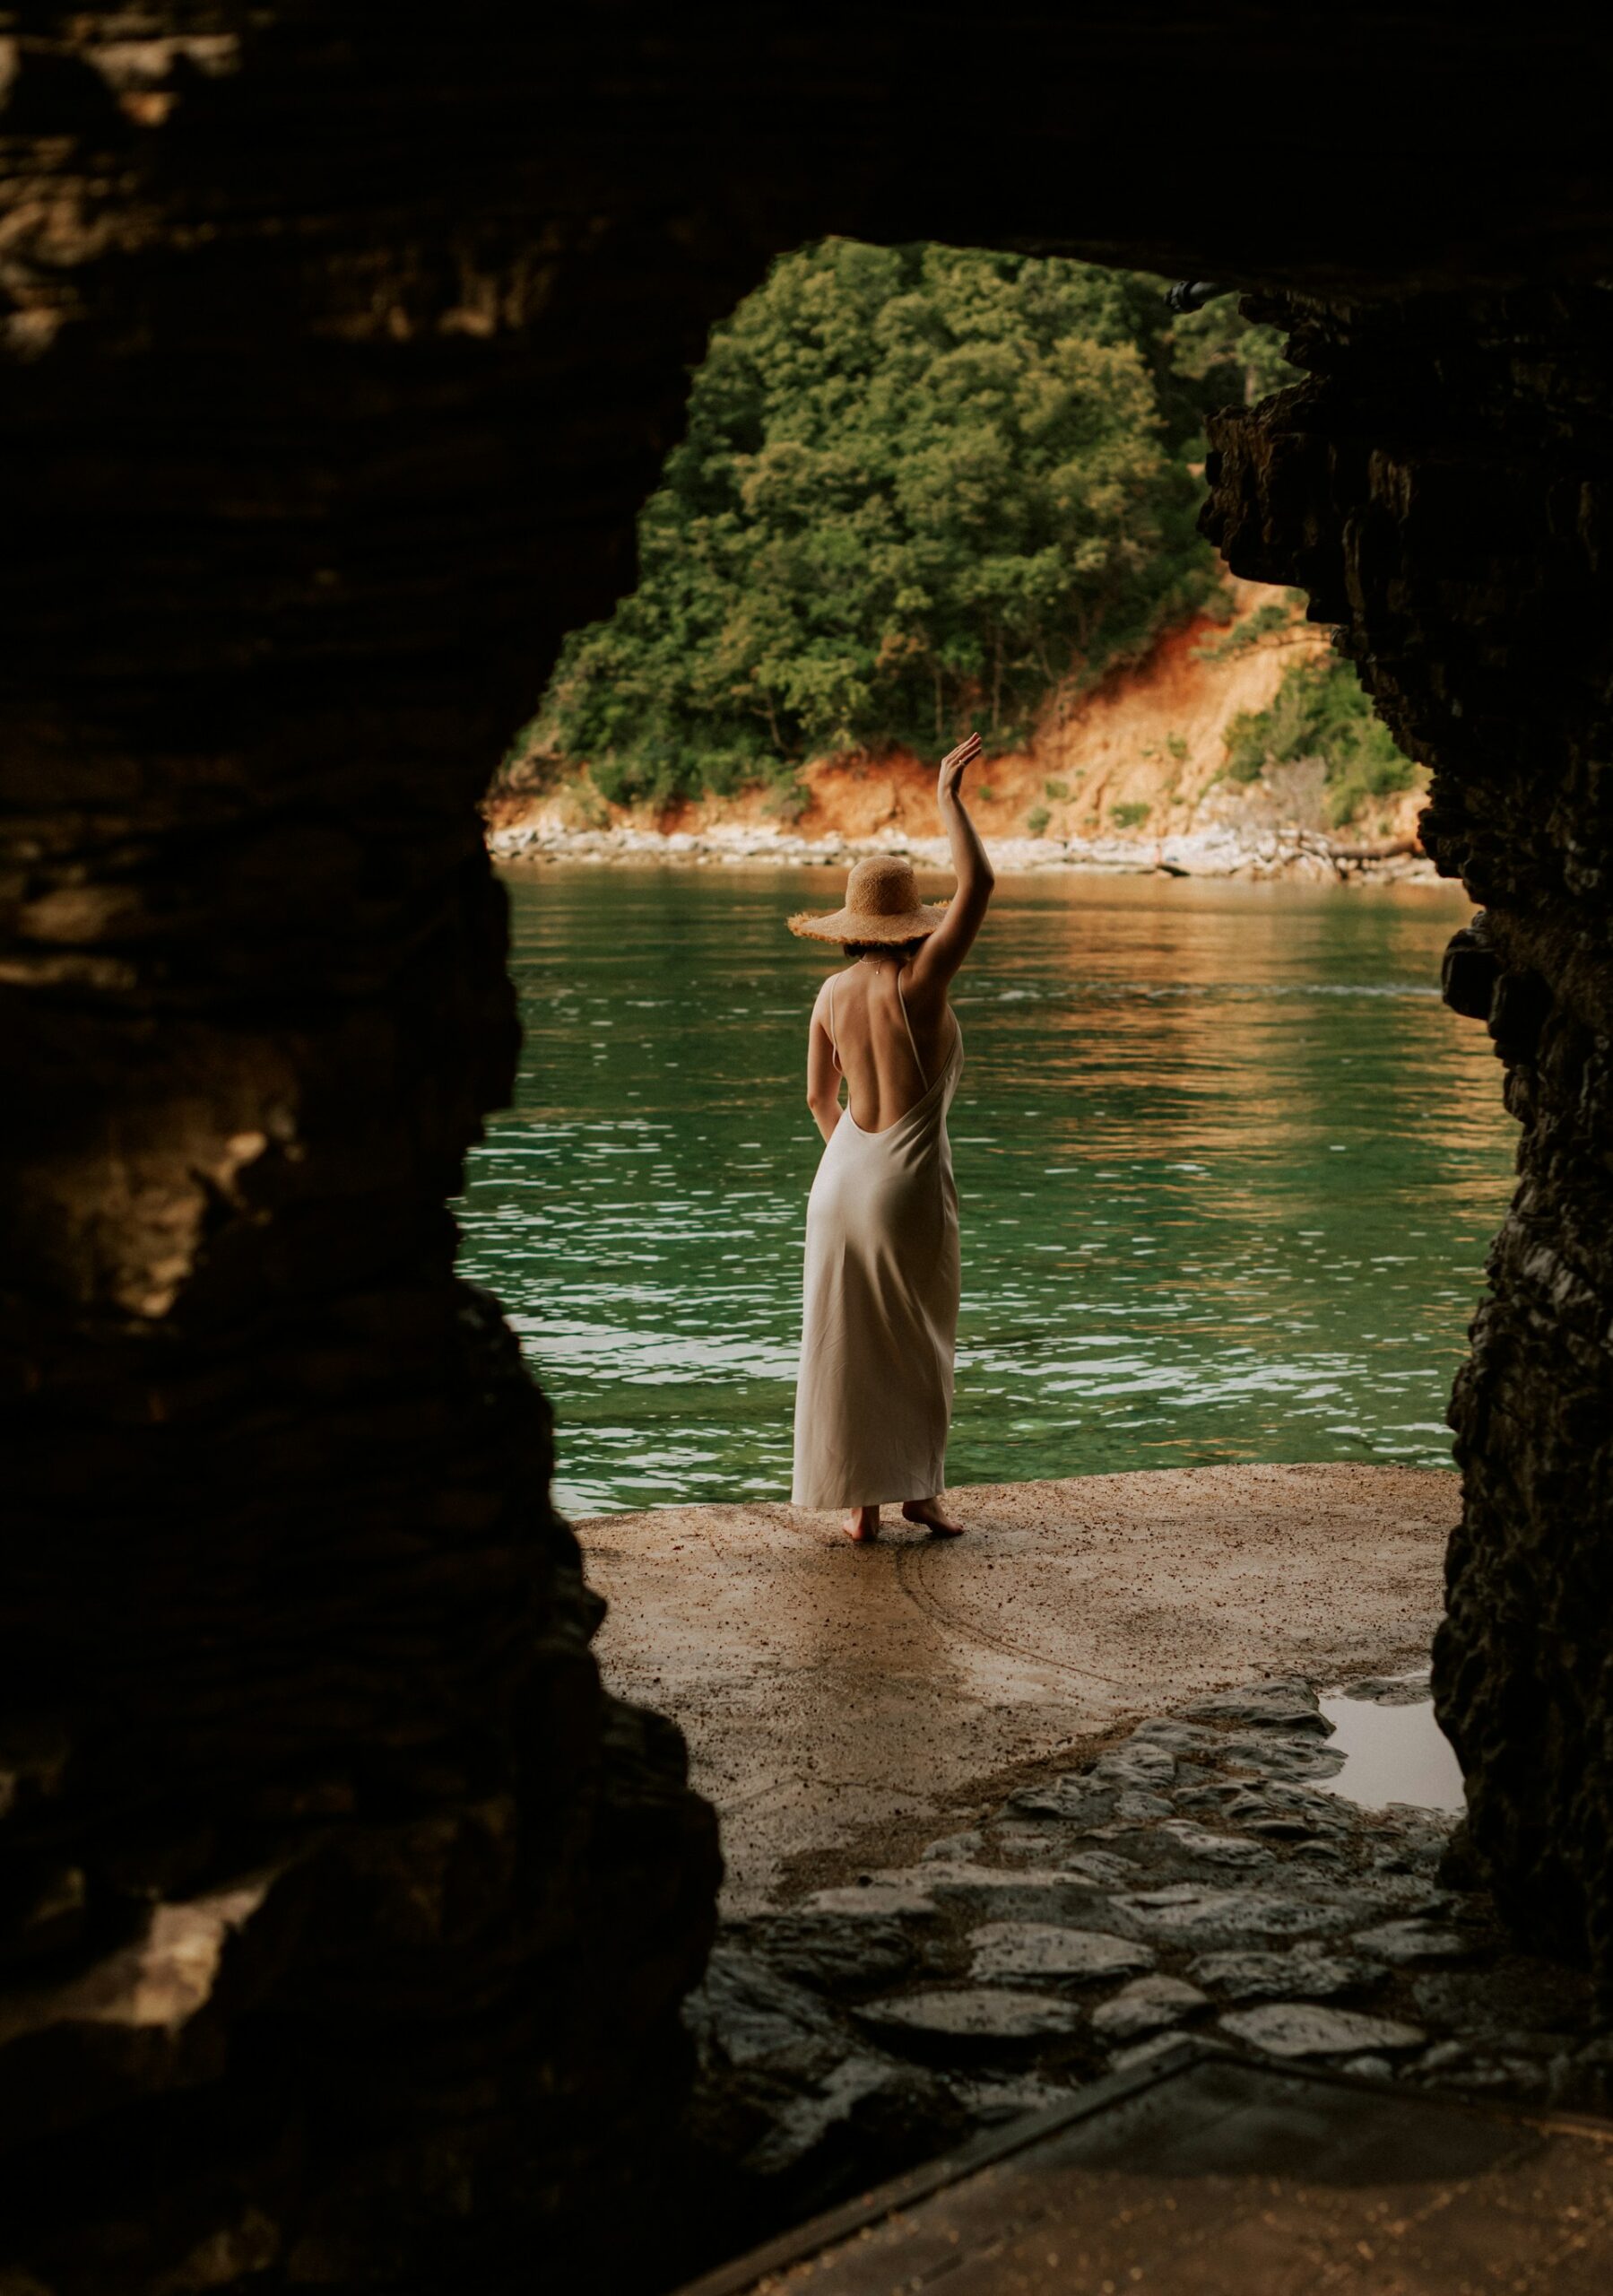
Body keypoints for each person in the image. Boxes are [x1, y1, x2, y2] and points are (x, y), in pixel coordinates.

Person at [786, 731, 995, 1543]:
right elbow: (978, 885)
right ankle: (920, 1495)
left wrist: (856, 1156)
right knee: (918, 1336)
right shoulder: (921, 983)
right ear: (909, 920)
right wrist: (948, 800)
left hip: (839, 1181)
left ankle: (859, 1509)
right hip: (905, 1184)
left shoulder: (832, 992)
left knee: (844, 1344)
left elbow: (815, 1097)